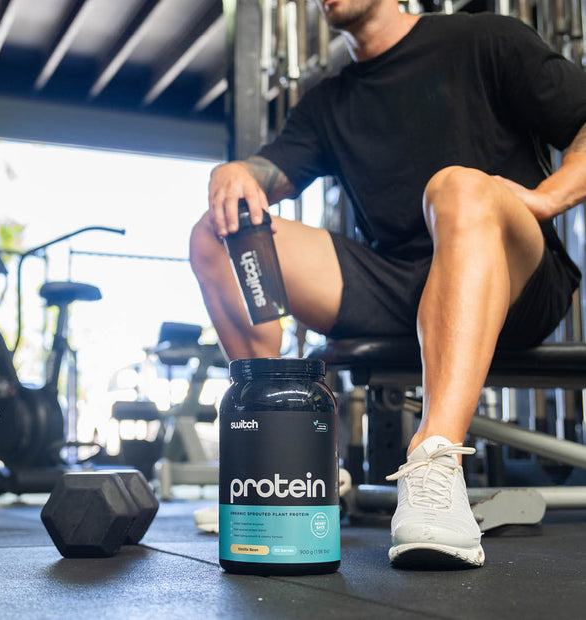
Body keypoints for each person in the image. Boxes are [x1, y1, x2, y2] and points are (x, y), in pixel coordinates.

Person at [190, 0, 586, 569]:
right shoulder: (330, 101)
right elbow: (266, 176)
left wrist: (548, 199)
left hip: (517, 275)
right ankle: (285, 459)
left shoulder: (487, 41)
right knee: (218, 232)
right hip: (399, 285)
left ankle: (435, 463)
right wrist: (238, 172)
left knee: (457, 189)